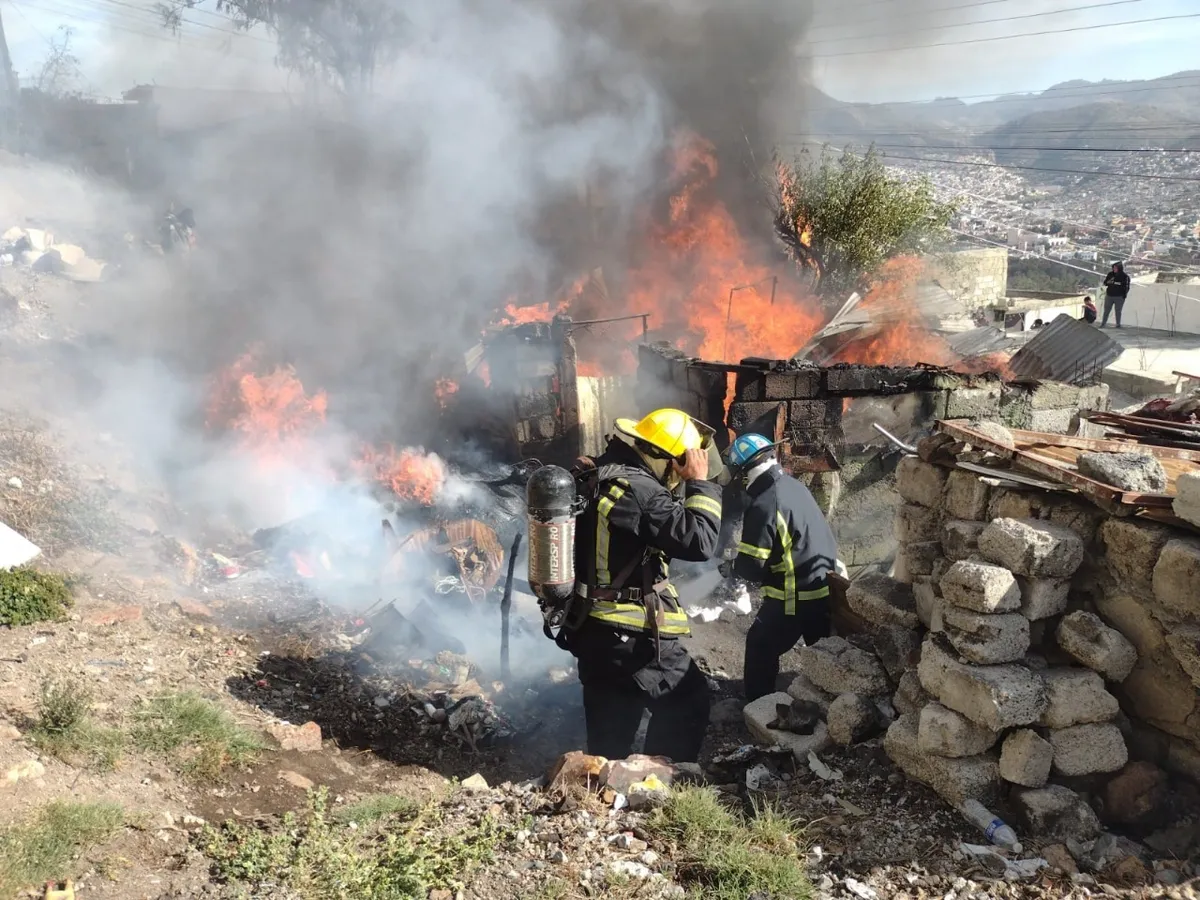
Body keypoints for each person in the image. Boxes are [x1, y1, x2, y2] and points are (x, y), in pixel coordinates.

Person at [562, 408, 723, 763]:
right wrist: (700, 482)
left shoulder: (600, 472)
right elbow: (700, 542)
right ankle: (657, 786)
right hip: (630, 633)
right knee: (687, 700)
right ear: (668, 459)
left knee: (611, 727)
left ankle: (608, 792)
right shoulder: (643, 492)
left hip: (590, 628)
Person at [720, 433, 838, 702]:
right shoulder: (793, 486)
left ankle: (758, 707)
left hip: (794, 594)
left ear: (742, 472)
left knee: (760, 645)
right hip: (821, 584)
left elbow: (752, 566)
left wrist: (730, 570)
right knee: (822, 653)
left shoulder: (764, 503)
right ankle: (827, 702)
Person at [1102, 262, 1131, 328]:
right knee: (1106, 310)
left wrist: (1124, 295)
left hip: (1119, 297)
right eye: (1113, 268)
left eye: (1116, 268)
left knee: (1118, 311)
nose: (1114, 269)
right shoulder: (1110, 274)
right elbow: (1105, 283)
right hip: (1109, 295)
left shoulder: (1125, 276)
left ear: (1119, 268)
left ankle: (1118, 324)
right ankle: (1103, 323)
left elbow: (1126, 287)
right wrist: (1110, 281)